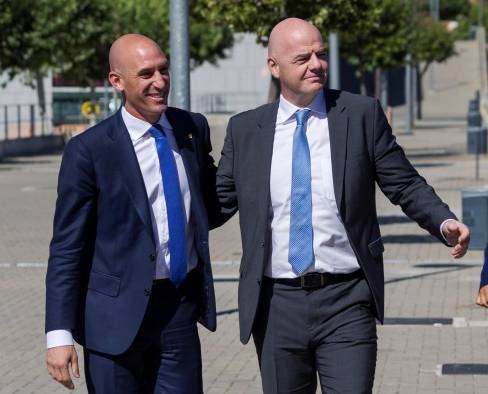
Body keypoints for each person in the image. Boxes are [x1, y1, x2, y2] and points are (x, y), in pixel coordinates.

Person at [215, 18, 470, 393]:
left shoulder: (360, 114)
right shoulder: (245, 130)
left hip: (346, 300)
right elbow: (215, 202)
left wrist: (444, 222)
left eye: (320, 54)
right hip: (275, 304)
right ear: (274, 66)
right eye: (303, 57)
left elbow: (404, 183)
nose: (316, 64)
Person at [45, 34, 219, 393]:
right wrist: (58, 334)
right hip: (113, 320)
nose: (160, 82)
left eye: (163, 70)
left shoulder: (191, 130)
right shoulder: (88, 151)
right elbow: (67, 248)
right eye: (146, 74)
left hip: (178, 311)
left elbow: (211, 203)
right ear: (117, 81)